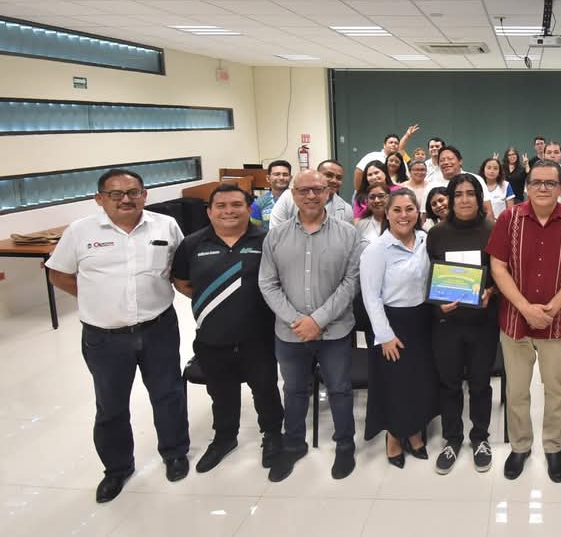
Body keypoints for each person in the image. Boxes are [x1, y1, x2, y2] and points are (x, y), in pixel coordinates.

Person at [46, 169, 190, 503]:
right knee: (110, 405)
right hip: (104, 337)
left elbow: (179, 268)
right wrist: (95, 298)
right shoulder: (80, 231)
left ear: (144, 195)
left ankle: (175, 453)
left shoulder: (166, 226)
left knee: (168, 393)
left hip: (158, 328)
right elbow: (58, 274)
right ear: (100, 199)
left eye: (133, 192)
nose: (126, 199)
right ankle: (117, 468)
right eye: (115, 194)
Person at [486, 160, 561, 483]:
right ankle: (520, 446)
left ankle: (552, 447)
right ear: (527, 187)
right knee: (517, 390)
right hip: (514, 321)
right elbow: (498, 266)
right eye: (536, 182)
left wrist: (552, 307)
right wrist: (525, 308)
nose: (543, 188)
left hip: (557, 323)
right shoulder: (509, 218)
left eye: (550, 183)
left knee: (555, 389)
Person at [172, 184, 284, 474]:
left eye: (236, 205)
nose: (229, 211)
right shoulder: (192, 243)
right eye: (221, 206)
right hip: (213, 337)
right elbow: (182, 282)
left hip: (259, 337)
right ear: (209, 211)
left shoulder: (267, 240)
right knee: (221, 393)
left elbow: (281, 281)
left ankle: (272, 436)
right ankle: (224, 438)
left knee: (266, 389)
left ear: (249, 209)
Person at [258, 169, 361, 482]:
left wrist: (317, 320)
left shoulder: (348, 233)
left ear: (328, 192)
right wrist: (296, 321)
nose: (311, 196)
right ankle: (293, 445)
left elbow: (351, 281)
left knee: (340, 389)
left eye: (318, 189)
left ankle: (345, 445)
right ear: (293, 194)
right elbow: (267, 283)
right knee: (293, 390)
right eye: (304, 190)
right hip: (290, 334)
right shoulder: (276, 236)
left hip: (335, 331)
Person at [360, 188, 439, 468]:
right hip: (392, 323)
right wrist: (385, 336)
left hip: (423, 320)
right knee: (395, 384)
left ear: (418, 213)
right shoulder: (376, 250)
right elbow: (371, 297)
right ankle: (394, 436)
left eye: (409, 209)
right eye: (397, 210)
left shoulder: (426, 240)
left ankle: (415, 431)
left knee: (420, 380)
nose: (404, 215)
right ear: (387, 213)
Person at [426, 174, 499, 474]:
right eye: (458, 194)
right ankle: (452, 438)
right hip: (447, 322)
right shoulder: (436, 234)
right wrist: (437, 303)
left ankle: (480, 437)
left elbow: (503, 274)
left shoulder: (494, 231)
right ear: (451, 199)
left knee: (481, 383)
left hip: (483, 321)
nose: (465, 199)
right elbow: (429, 276)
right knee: (449, 383)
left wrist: (491, 291)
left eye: (470, 193)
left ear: (479, 198)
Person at [269, 159, 351, 228]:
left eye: (339, 178)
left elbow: (346, 238)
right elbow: (276, 233)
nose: (334, 180)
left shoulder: (346, 210)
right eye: (329, 175)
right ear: (317, 175)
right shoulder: (288, 197)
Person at [354, 125, 419, 187]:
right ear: (384, 145)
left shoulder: (402, 161)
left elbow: (407, 178)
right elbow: (359, 171)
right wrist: (360, 191)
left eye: (396, 143)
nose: (393, 144)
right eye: (391, 142)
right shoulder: (372, 156)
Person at [355, 181, 390, 248]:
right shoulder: (361, 225)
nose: (376, 200)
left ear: (389, 198)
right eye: (372, 197)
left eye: (381, 196)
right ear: (367, 201)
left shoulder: (397, 222)